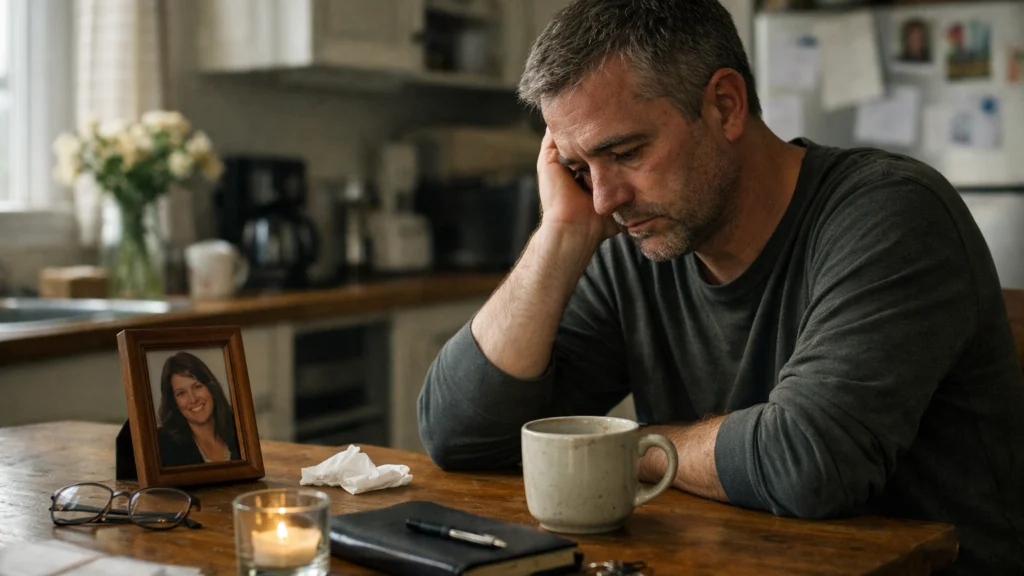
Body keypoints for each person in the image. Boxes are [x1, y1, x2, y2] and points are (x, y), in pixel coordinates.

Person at [416, 1, 1024, 574]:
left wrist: (620, 450)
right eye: (579, 170)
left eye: (625, 152)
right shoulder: (637, 242)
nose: (604, 199)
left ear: (726, 106)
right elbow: (459, 433)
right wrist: (560, 233)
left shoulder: (892, 215)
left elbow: (810, 462)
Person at [157, 351, 241, 467]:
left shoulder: (238, 427)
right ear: (174, 402)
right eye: (181, 393)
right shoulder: (164, 446)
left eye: (197, 387)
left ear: (211, 387)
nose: (193, 399)